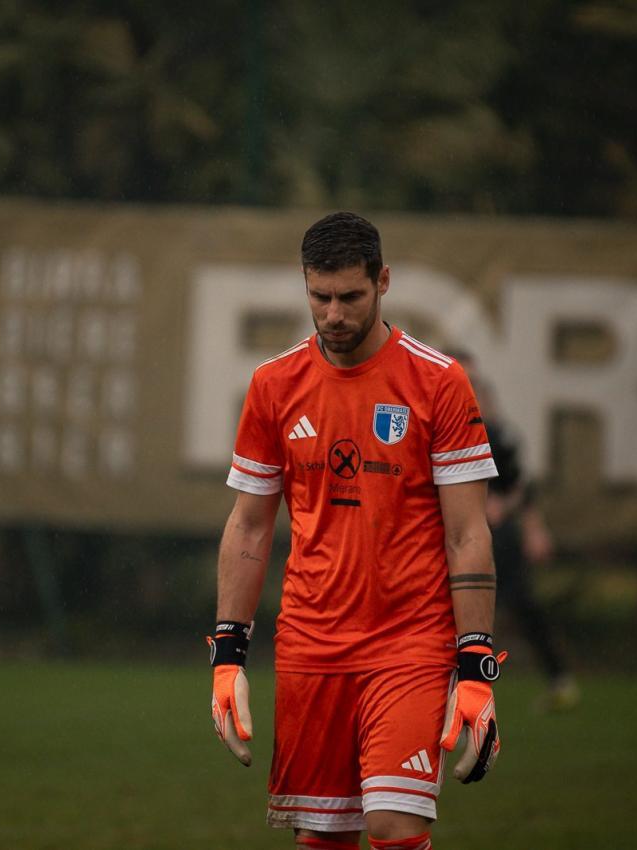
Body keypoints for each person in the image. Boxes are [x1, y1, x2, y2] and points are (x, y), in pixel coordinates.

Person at [208, 212, 505, 850]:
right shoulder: (273, 386)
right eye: (320, 297)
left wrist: (477, 665)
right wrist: (228, 656)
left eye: (350, 296)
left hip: (410, 642)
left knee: (394, 826)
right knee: (322, 839)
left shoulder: (439, 382)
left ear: (383, 282)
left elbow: (467, 535)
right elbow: (249, 527)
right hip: (310, 647)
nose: (334, 314)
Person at [450, 350, 579, 712]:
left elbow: (519, 486)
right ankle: (449, 695)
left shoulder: (493, 433)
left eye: (473, 382)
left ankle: (558, 679)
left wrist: (527, 525)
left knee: (520, 605)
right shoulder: (424, 428)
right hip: (445, 540)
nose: (468, 388)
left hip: (493, 538)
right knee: (446, 618)